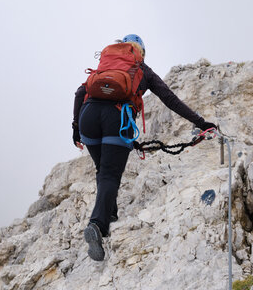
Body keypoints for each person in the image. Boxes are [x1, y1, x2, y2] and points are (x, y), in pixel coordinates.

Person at [72, 34, 216, 261]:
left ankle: (110, 215)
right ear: (141, 52)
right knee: (110, 174)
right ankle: (97, 225)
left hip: (88, 116)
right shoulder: (142, 68)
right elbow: (170, 99)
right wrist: (201, 123)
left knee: (103, 169)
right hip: (116, 118)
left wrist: (76, 128)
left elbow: (81, 92)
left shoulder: (106, 64)